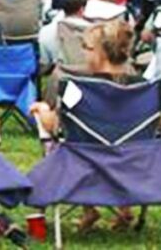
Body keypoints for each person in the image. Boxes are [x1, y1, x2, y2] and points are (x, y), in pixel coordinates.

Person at [30, 20, 140, 233]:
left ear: (101, 53)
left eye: (87, 48)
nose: (84, 53)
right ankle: (125, 209)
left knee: (76, 143)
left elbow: (56, 126)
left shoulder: (79, 90)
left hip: (83, 165)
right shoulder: (143, 88)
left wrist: (43, 111)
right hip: (132, 164)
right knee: (112, 139)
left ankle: (89, 209)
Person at [38, 0, 90, 72]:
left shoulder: (45, 31)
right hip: (88, 76)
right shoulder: (94, 31)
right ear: (82, 9)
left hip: (61, 74)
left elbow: (45, 62)